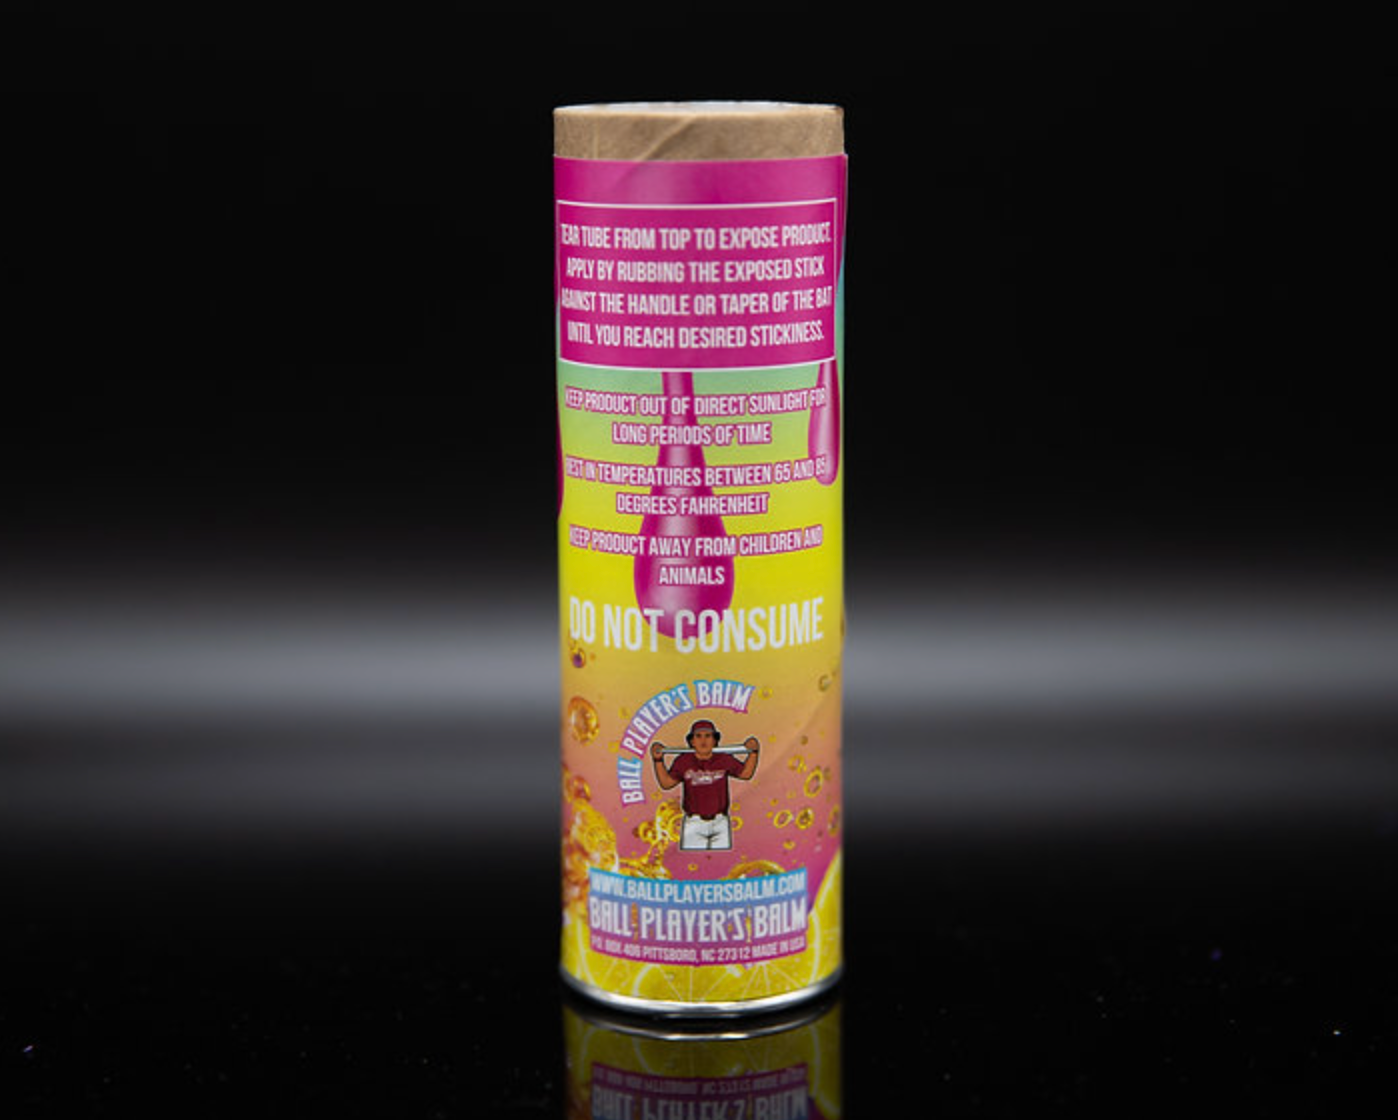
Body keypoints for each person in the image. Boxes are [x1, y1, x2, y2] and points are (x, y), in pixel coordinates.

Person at [651, 719, 760, 851]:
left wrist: (754, 753)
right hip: (694, 822)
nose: (703, 740)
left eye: (708, 736)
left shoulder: (723, 759)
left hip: (720, 821)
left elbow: (745, 774)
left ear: (714, 740)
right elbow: (666, 783)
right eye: (698, 736)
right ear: (692, 741)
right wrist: (658, 760)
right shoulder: (683, 761)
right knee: (692, 860)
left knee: (722, 860)